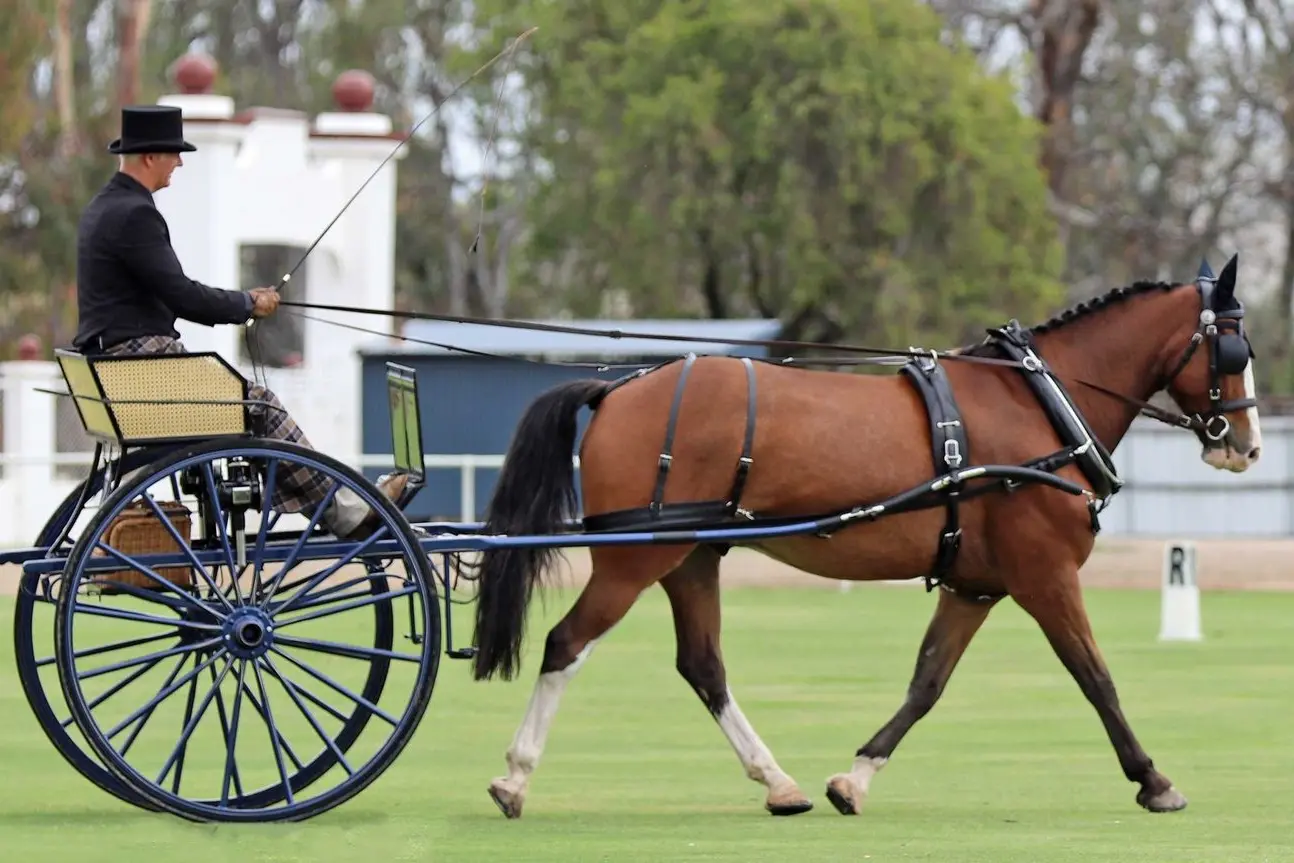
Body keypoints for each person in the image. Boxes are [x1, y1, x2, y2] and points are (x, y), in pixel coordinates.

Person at [73, 104, 407, 540]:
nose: (180, 162)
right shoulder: (136, 214)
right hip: (141, 368)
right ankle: (344, 510)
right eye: (174, 153)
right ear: (150, 157)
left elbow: (173, 291)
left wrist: (243, 302)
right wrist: (248, 303)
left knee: (253, 404)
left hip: (116, 364)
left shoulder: (104, 208)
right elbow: (184, 295)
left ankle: (336, 504)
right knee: (261, 406)